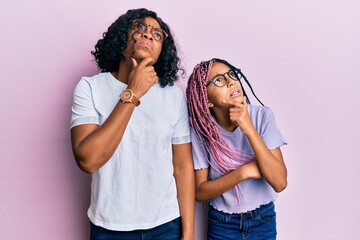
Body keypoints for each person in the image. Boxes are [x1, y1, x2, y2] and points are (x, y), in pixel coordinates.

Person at [70, 8, 194, 240]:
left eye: (158, 35)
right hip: (109, 227)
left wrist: (188, 234)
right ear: (121, 36)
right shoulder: (89, 88)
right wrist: (133, 92)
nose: (148, 35)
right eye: (139, 27)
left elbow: (183, 167)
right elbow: (87, 160)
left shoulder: (173, 96)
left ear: (161, 51)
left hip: (166, 225)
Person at [186, 58, 288, 240]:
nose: (231, 81)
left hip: (262, 220)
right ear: (206, 99)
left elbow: (280, 182)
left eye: (232, 74)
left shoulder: (262, 116)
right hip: (222, 224)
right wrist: (244, 172)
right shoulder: (202, 130)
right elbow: (200, 192)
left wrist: (247, 127)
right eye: (219, 80)